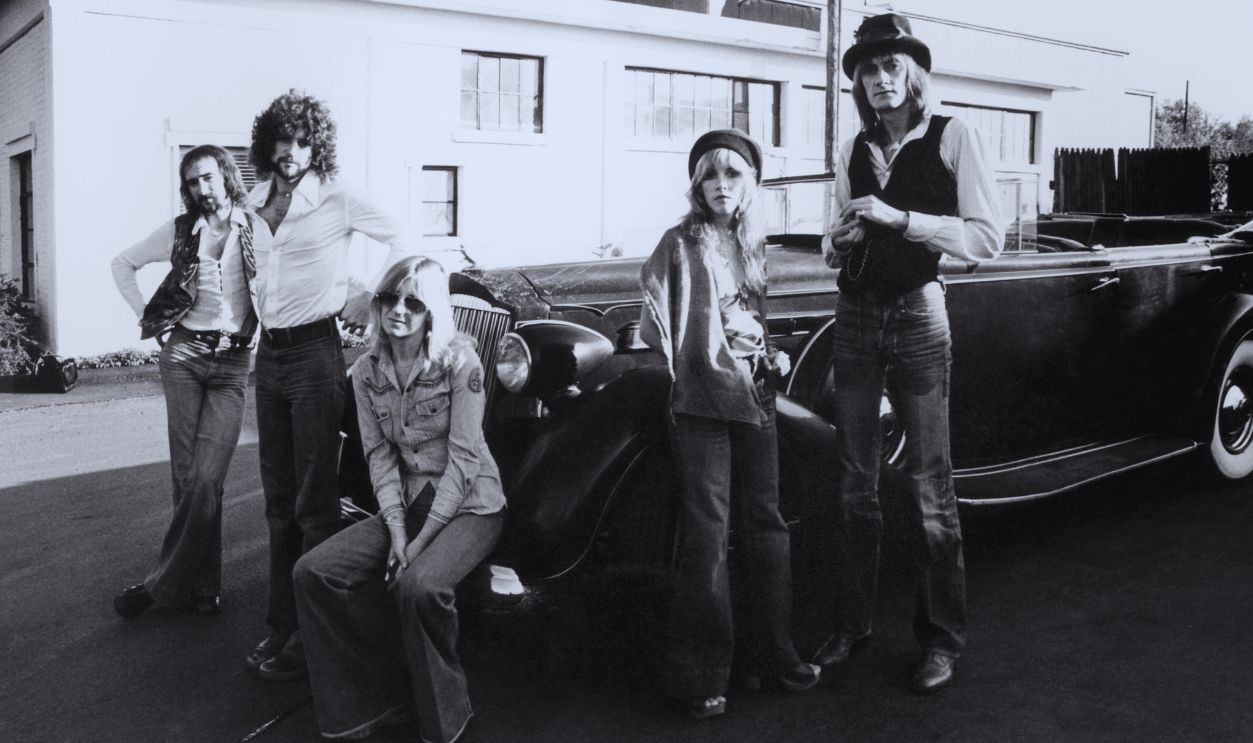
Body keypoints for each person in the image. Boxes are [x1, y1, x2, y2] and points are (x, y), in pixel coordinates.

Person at [811, 13, 1004, 694]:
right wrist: (836, 239)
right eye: (868, 69)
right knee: (854, 481)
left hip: (920, 313)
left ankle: (941, 640)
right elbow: (833, 236)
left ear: (913, 74)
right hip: (855, 314)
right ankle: (852, 624)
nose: (880, 79)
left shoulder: (954, 136)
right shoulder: (853, 146)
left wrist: (902, 220)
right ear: (858, 81)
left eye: (891, 66)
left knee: (929, 485)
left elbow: (986, 240)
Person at [639, 129, 820, 719]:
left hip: (755, 395)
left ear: (751, 183)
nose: (722, 185)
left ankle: (776, 655)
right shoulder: (681, 241)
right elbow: (654, 327)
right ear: (697, 185)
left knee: (766, 524)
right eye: (710, 175)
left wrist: (766, 355)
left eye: (734, 174)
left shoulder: (751, 242)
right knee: (707, 531)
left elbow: (749, 318)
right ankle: (701, 676)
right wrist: (705, 358)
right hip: (702, 404)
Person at [292, 255, 505, 743]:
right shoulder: (366, 372)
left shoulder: (460, 363)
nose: (399, 310)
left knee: (418, 587)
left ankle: (446, 717)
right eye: (390, 298)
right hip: (408, 506)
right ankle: (368, 702)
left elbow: (465, 461)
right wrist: (395, 532)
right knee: (314, 572)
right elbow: (379, 458)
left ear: (431, 310)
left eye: (413, 301)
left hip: (473, 506)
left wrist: (416, 544)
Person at [244, 89, 412, 680]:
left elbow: (403, 237)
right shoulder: (254, 199)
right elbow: (251, 277)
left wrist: (366, 298)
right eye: (281, 141)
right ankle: (280, 623)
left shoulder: (338, 198)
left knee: (316, 502)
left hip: (317, 354)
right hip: (269, 357)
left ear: (316, 146)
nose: (290, 152)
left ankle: (313, 638)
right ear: (269, 144)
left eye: (301, 142)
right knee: (276, 500)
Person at [110, 145, 269, 618]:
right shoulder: (181, 232)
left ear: (226, 176)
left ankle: (160, 586)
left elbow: (290, 273)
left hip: (233, 362)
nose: (202, 189)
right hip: (182, 356)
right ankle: (204, 585)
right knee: (188, 478)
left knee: (206, 477)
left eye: (208, 178)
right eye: (193, 182)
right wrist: (149, 319)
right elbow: (123, 263)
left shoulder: (256, 228)